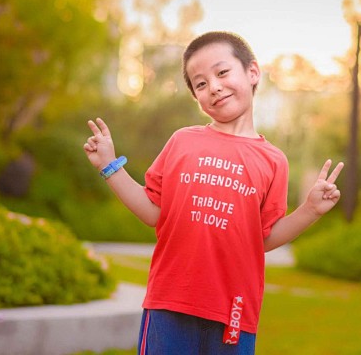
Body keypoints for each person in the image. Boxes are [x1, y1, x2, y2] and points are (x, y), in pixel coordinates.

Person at [83, 31, 344, 354]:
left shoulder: (274, 160)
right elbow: (153, 212)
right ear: (196, 98)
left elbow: (260, 240)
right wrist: (110, 166)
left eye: (222, 73)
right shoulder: (182, 141)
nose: (214, 87)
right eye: (201, 84)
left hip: (233, 311)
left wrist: (310, 210)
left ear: (252, 72)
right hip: (169, 302)